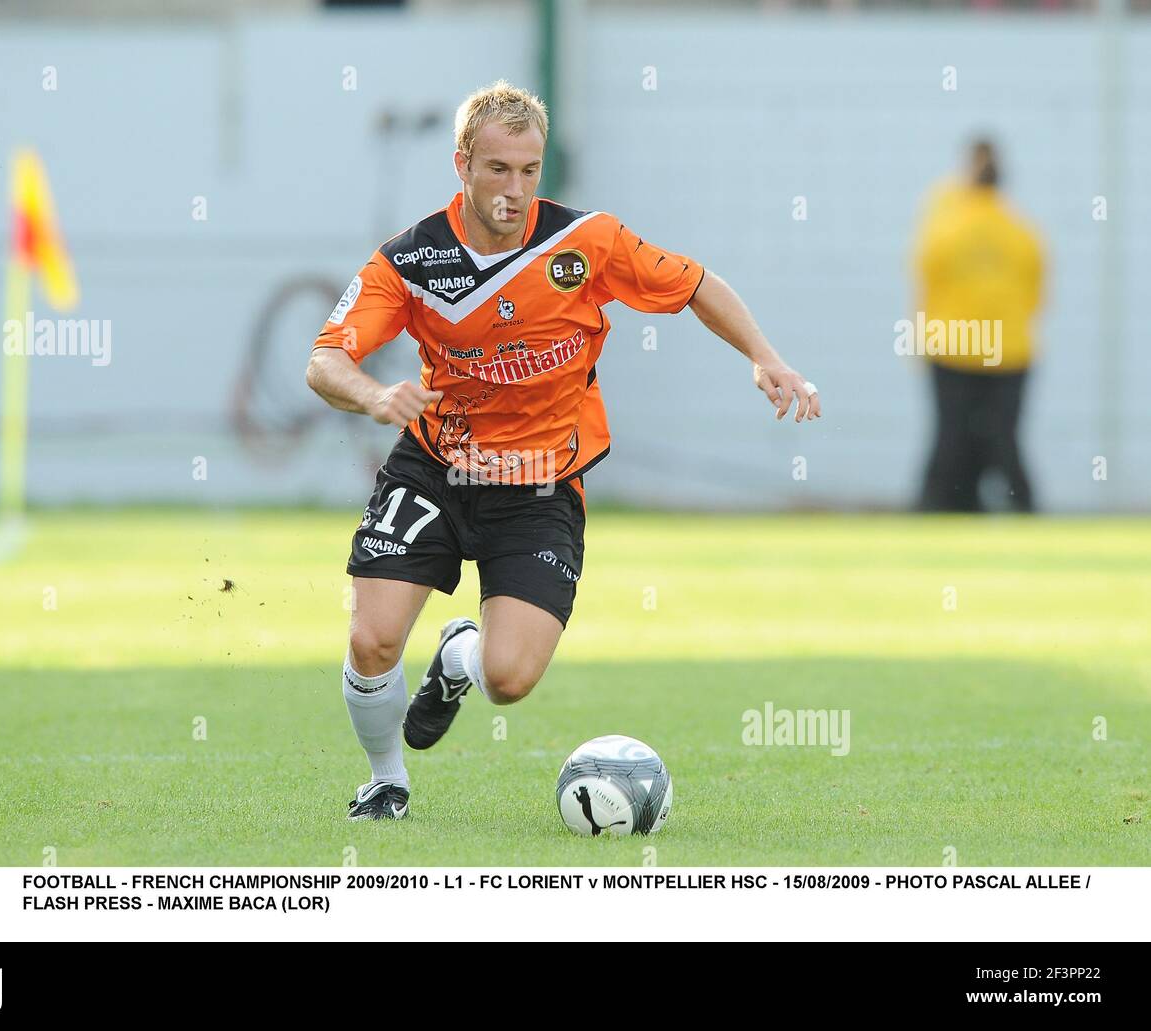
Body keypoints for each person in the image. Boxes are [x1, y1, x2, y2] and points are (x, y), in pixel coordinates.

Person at [306, 80, 820, 820]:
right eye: (497, 170)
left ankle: (458, 656)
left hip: (541, 488)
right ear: (462, 165)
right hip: (435, 469)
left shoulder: (586, 243)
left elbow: (696, 282)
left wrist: (763, 356)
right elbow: (324, 360)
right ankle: (387, 779)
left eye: (529, 170)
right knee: (373, 635)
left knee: (509, 678)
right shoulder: (410, 261)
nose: (514, 190)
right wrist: (375, 396)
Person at [915, 138, 1046, 512]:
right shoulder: (1022, 231)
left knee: (950, 438)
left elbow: (926, 281)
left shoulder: (945, 226)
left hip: (953, 348)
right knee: (1004, 439)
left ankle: (943, 507)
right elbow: (1038, 293)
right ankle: (1022, 509)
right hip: (1010, 351)